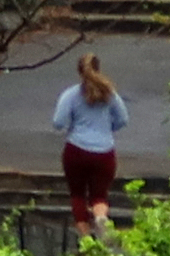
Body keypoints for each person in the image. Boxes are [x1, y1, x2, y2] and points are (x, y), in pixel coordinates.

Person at [51, 54, 130, 235]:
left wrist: (73, 125)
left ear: (79, 71)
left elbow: (58, 122)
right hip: (104, 153)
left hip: (76, 150)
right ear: (99, 69)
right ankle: (101, 219)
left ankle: (86, 239)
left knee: (78, 195)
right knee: (99, 196)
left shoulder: (71, 95)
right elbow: (123, 119)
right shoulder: (110, 94)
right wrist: (108, 129)